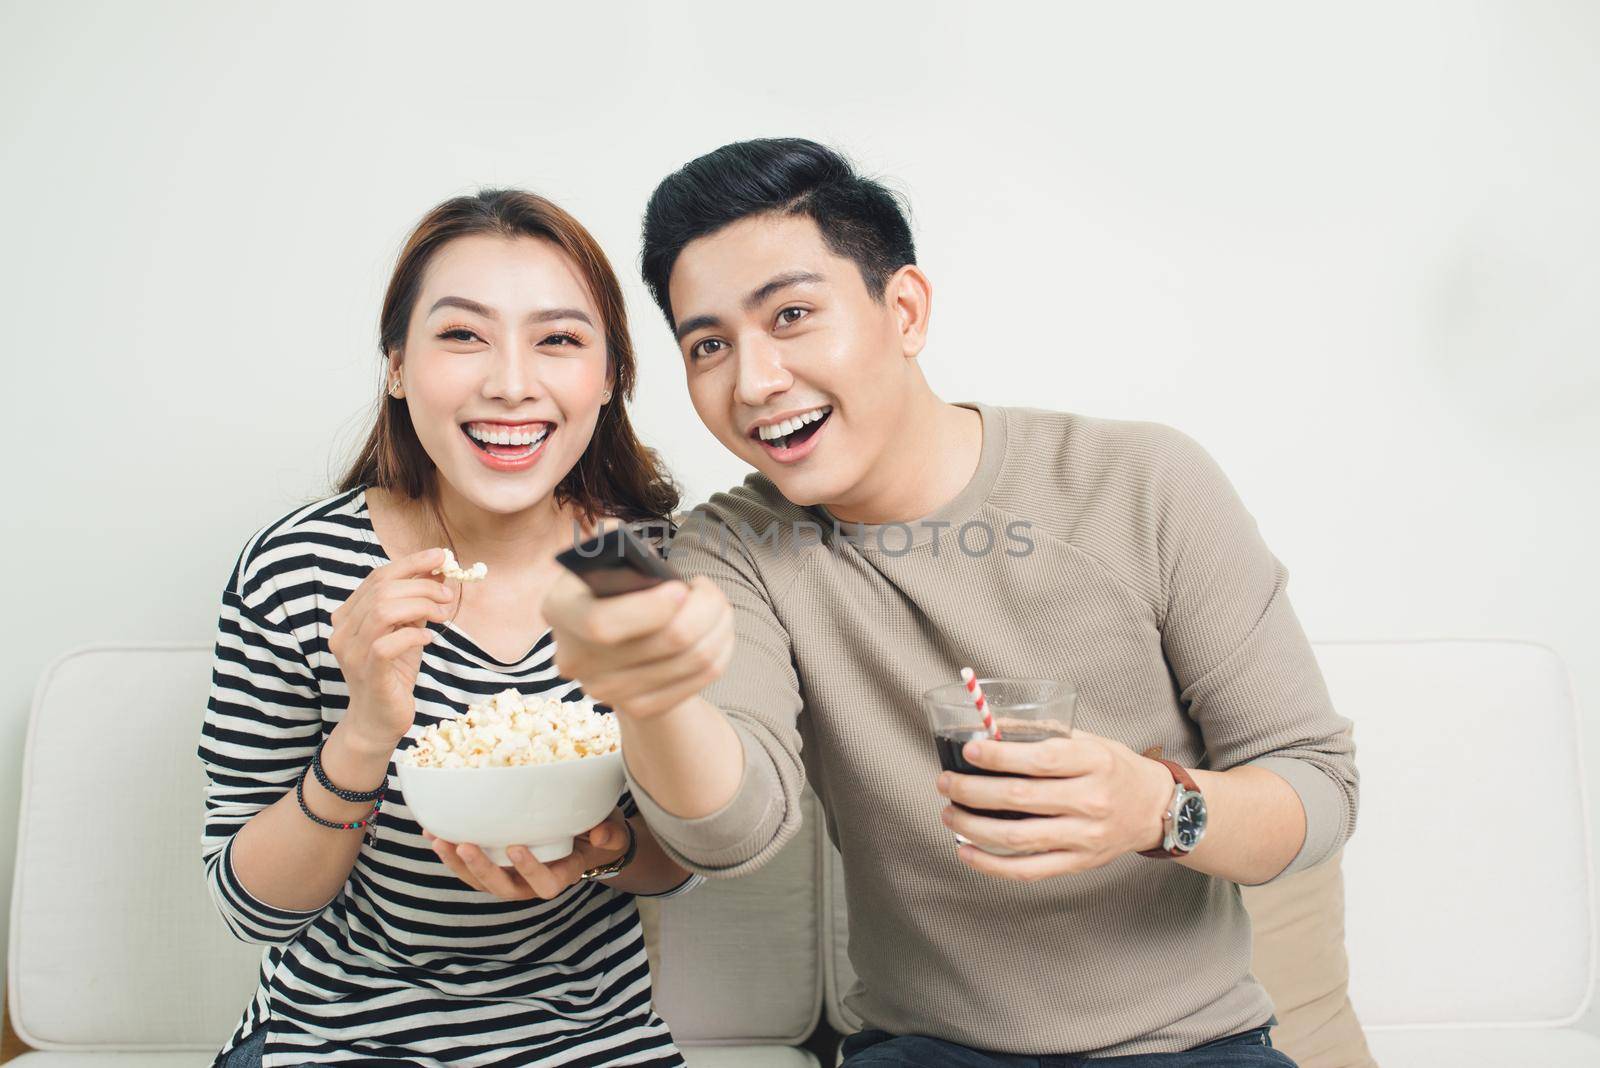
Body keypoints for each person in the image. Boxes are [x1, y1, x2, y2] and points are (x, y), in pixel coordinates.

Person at [542, 139, 1358, 1066]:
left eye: (794, 315)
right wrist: (655, 696)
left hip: (1193, 1046)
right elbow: (731, 831)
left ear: (905, 310)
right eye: (710, 345)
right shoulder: (731, 548)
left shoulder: (1142, 483)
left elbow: (1318, 787)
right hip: (925, 1049)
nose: (756, 381)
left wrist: (1154, 809)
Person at [198, 189, 696, 1068]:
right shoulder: (300, 571)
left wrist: (606, 849)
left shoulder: (640, 567)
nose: (510, 381)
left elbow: (687, 854)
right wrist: (364, 731)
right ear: (396, 365)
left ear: (611, 375)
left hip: (591, 1038)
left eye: (560, 338)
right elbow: (254, 912)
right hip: (335, 1037)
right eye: (463, 335)